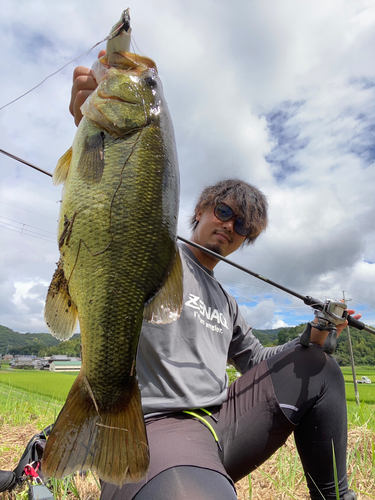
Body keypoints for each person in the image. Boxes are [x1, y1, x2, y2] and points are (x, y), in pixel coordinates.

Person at [69, 59, 361, 500]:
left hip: (221, 423)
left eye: (242, 226)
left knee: (318, 365)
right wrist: (97, 137)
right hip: (151, 423)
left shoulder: (227, 302)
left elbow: (258, 360)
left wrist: (315, 333)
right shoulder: (153, 249)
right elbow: (112, 214)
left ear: (245, 241)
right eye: (223, 212)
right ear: (201, 211)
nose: (229, 226)